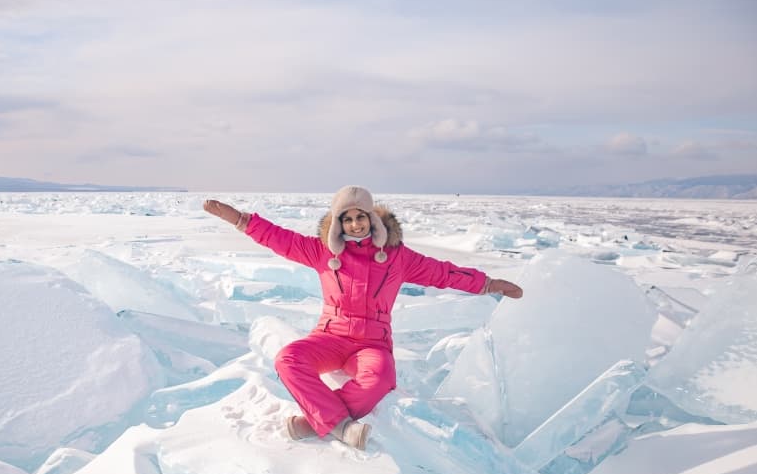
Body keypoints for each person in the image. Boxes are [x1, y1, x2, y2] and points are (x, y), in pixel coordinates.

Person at [203, 185, 523, 450]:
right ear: (338, 223)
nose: (355, 225)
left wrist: (487, 284)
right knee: (288, 359)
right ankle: (340, 426)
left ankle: (317, 422)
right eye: (347, 219)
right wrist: (239, 220)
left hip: (372, 343)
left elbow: (443, 272)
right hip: (330, 337)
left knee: (380, 380)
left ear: (371, 218)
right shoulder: (323, 252)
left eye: (361, 217)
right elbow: (280, 239)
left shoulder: (397, 257)